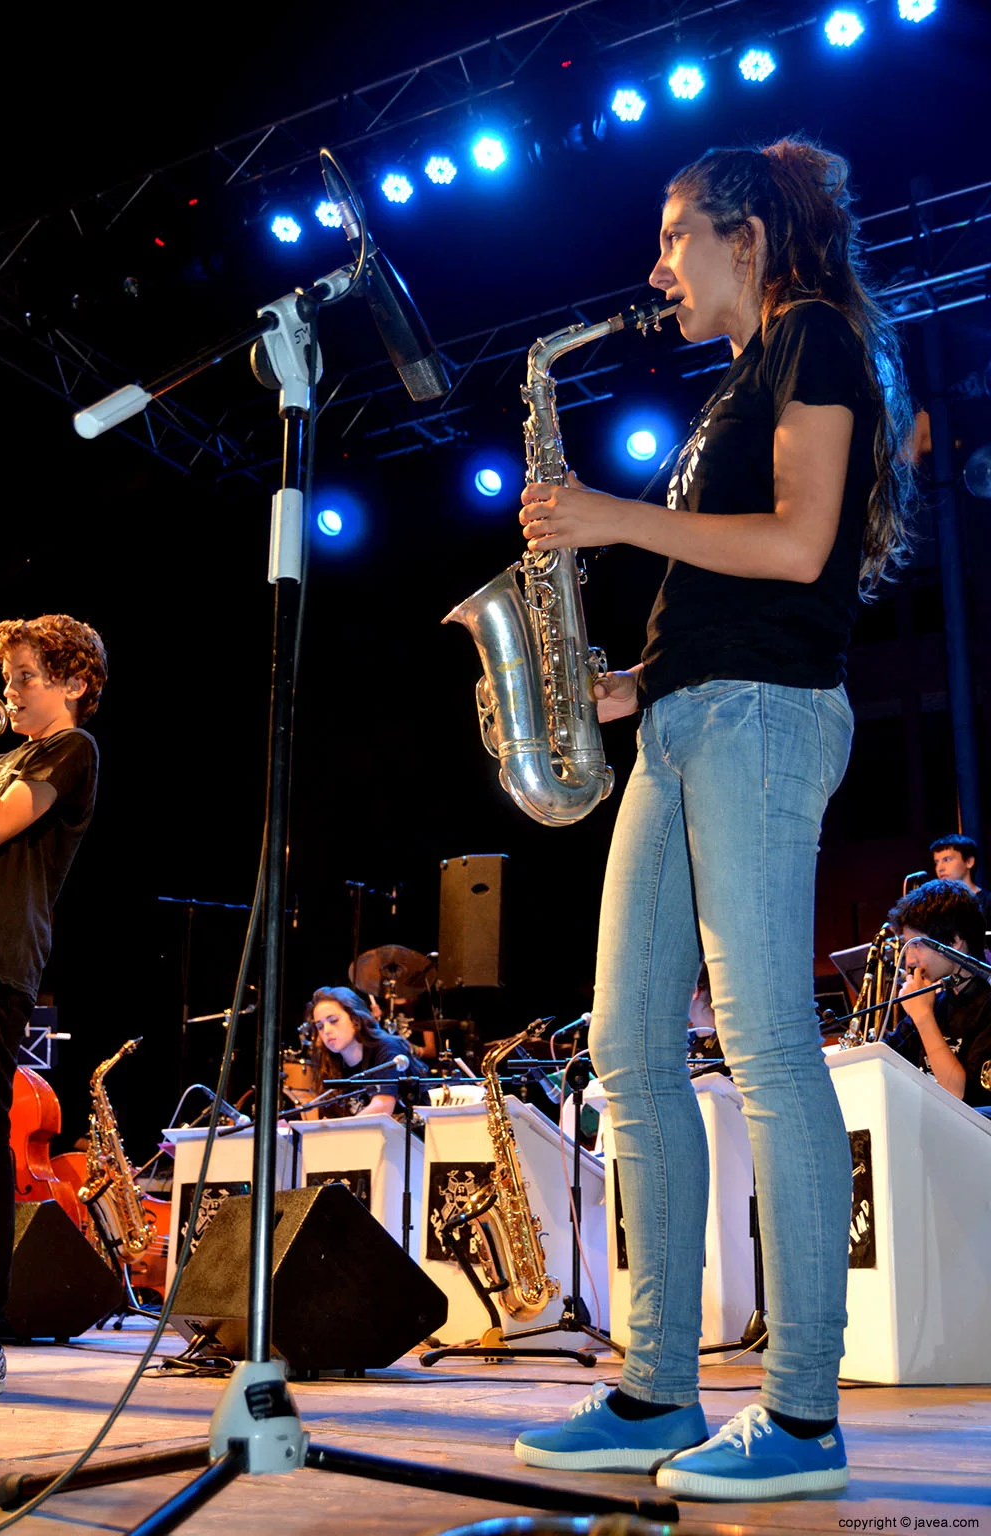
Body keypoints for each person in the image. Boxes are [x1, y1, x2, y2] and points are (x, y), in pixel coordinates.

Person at [512, 138, 915, 1500]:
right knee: (627, 1048)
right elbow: (725, 579)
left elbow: (799, 549)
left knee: (764, 1047)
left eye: (676, 234)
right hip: (688, 718)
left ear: (749, 234)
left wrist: (612, 519)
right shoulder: (738, 381)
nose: (658, 265)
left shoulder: (816, 340)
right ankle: (652, 1389)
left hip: (764, 718)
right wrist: (618, 685)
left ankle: (802, 1418)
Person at [0, 614, 107, 1401]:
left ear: (75, 683)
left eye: (26, 676)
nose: (11, 691)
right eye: (11, 676)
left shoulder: (71, 750)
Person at [885, 879, 991, 1108]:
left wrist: (923, 1017)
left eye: (917, 945)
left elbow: (958, 1094)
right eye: (907, 946)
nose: (910, 960)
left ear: (955, 941)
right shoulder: (935, 1000)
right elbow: (884, 1060)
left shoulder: (986, 1005)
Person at [307, 986, 431, 1118]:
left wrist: (340, 1131)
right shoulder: (330, 1063)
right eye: (320, 1026)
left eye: (333, 1021)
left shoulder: (387, 1048)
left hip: (410, 1135)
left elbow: (383, 1107)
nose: (326, 1030)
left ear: (355, 1019)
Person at [929, 834, 991, 932]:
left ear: (969, 862)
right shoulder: (935, 906)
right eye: (937, 862)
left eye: (947, 860)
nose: (940, 868)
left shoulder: (987, 902)